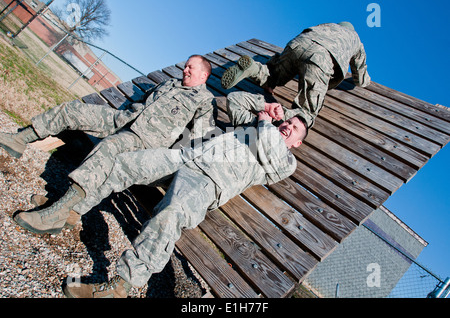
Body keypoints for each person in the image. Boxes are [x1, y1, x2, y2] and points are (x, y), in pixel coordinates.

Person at [56, 91, 308, 298]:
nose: (287, 126)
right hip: (185, 157)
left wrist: (265, 122)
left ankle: (120, 286)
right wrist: (264, 105)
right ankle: (69, 210)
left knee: (170, 215)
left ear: (297, 143)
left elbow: (269, 143)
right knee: (124, 164)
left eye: (294, 128)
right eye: (288, 121)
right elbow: (235, 100)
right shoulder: (253, 127)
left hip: (206, 182)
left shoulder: (286, 161)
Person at [7, 55, 216, 234]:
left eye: (191, 67)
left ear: (203, 75)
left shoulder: (204, 100)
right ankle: (18, 140)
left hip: (144, 141)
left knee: (109, 148)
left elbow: (199, 138)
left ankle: (59, 212)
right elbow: (143, 101)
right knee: (73, 110)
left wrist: (167, 159)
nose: (185, 69)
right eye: (186, 65)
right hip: (123, 119)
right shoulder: (169, 83)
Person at [221, 22, 371, 128]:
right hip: (321, 59)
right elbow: (360, 77)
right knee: (307, 112)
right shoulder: (356, 40)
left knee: (274, 74)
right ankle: (279, 116)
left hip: (298, 44)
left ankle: (253, 68)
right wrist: (363, 80)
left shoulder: (328, 25)